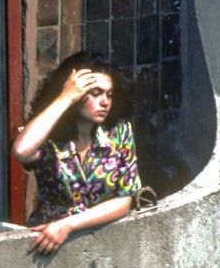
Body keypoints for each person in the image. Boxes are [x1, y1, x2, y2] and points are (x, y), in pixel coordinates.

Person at [11, 51, 139, 254]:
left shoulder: (119, 133)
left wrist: (69, 224)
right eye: (95, 93)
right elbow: (21, 151)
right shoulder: (49, 138)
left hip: (102, 243)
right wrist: (65, 97)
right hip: (49, 245)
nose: (105, 102)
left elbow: (124, 200)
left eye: (109, 94)